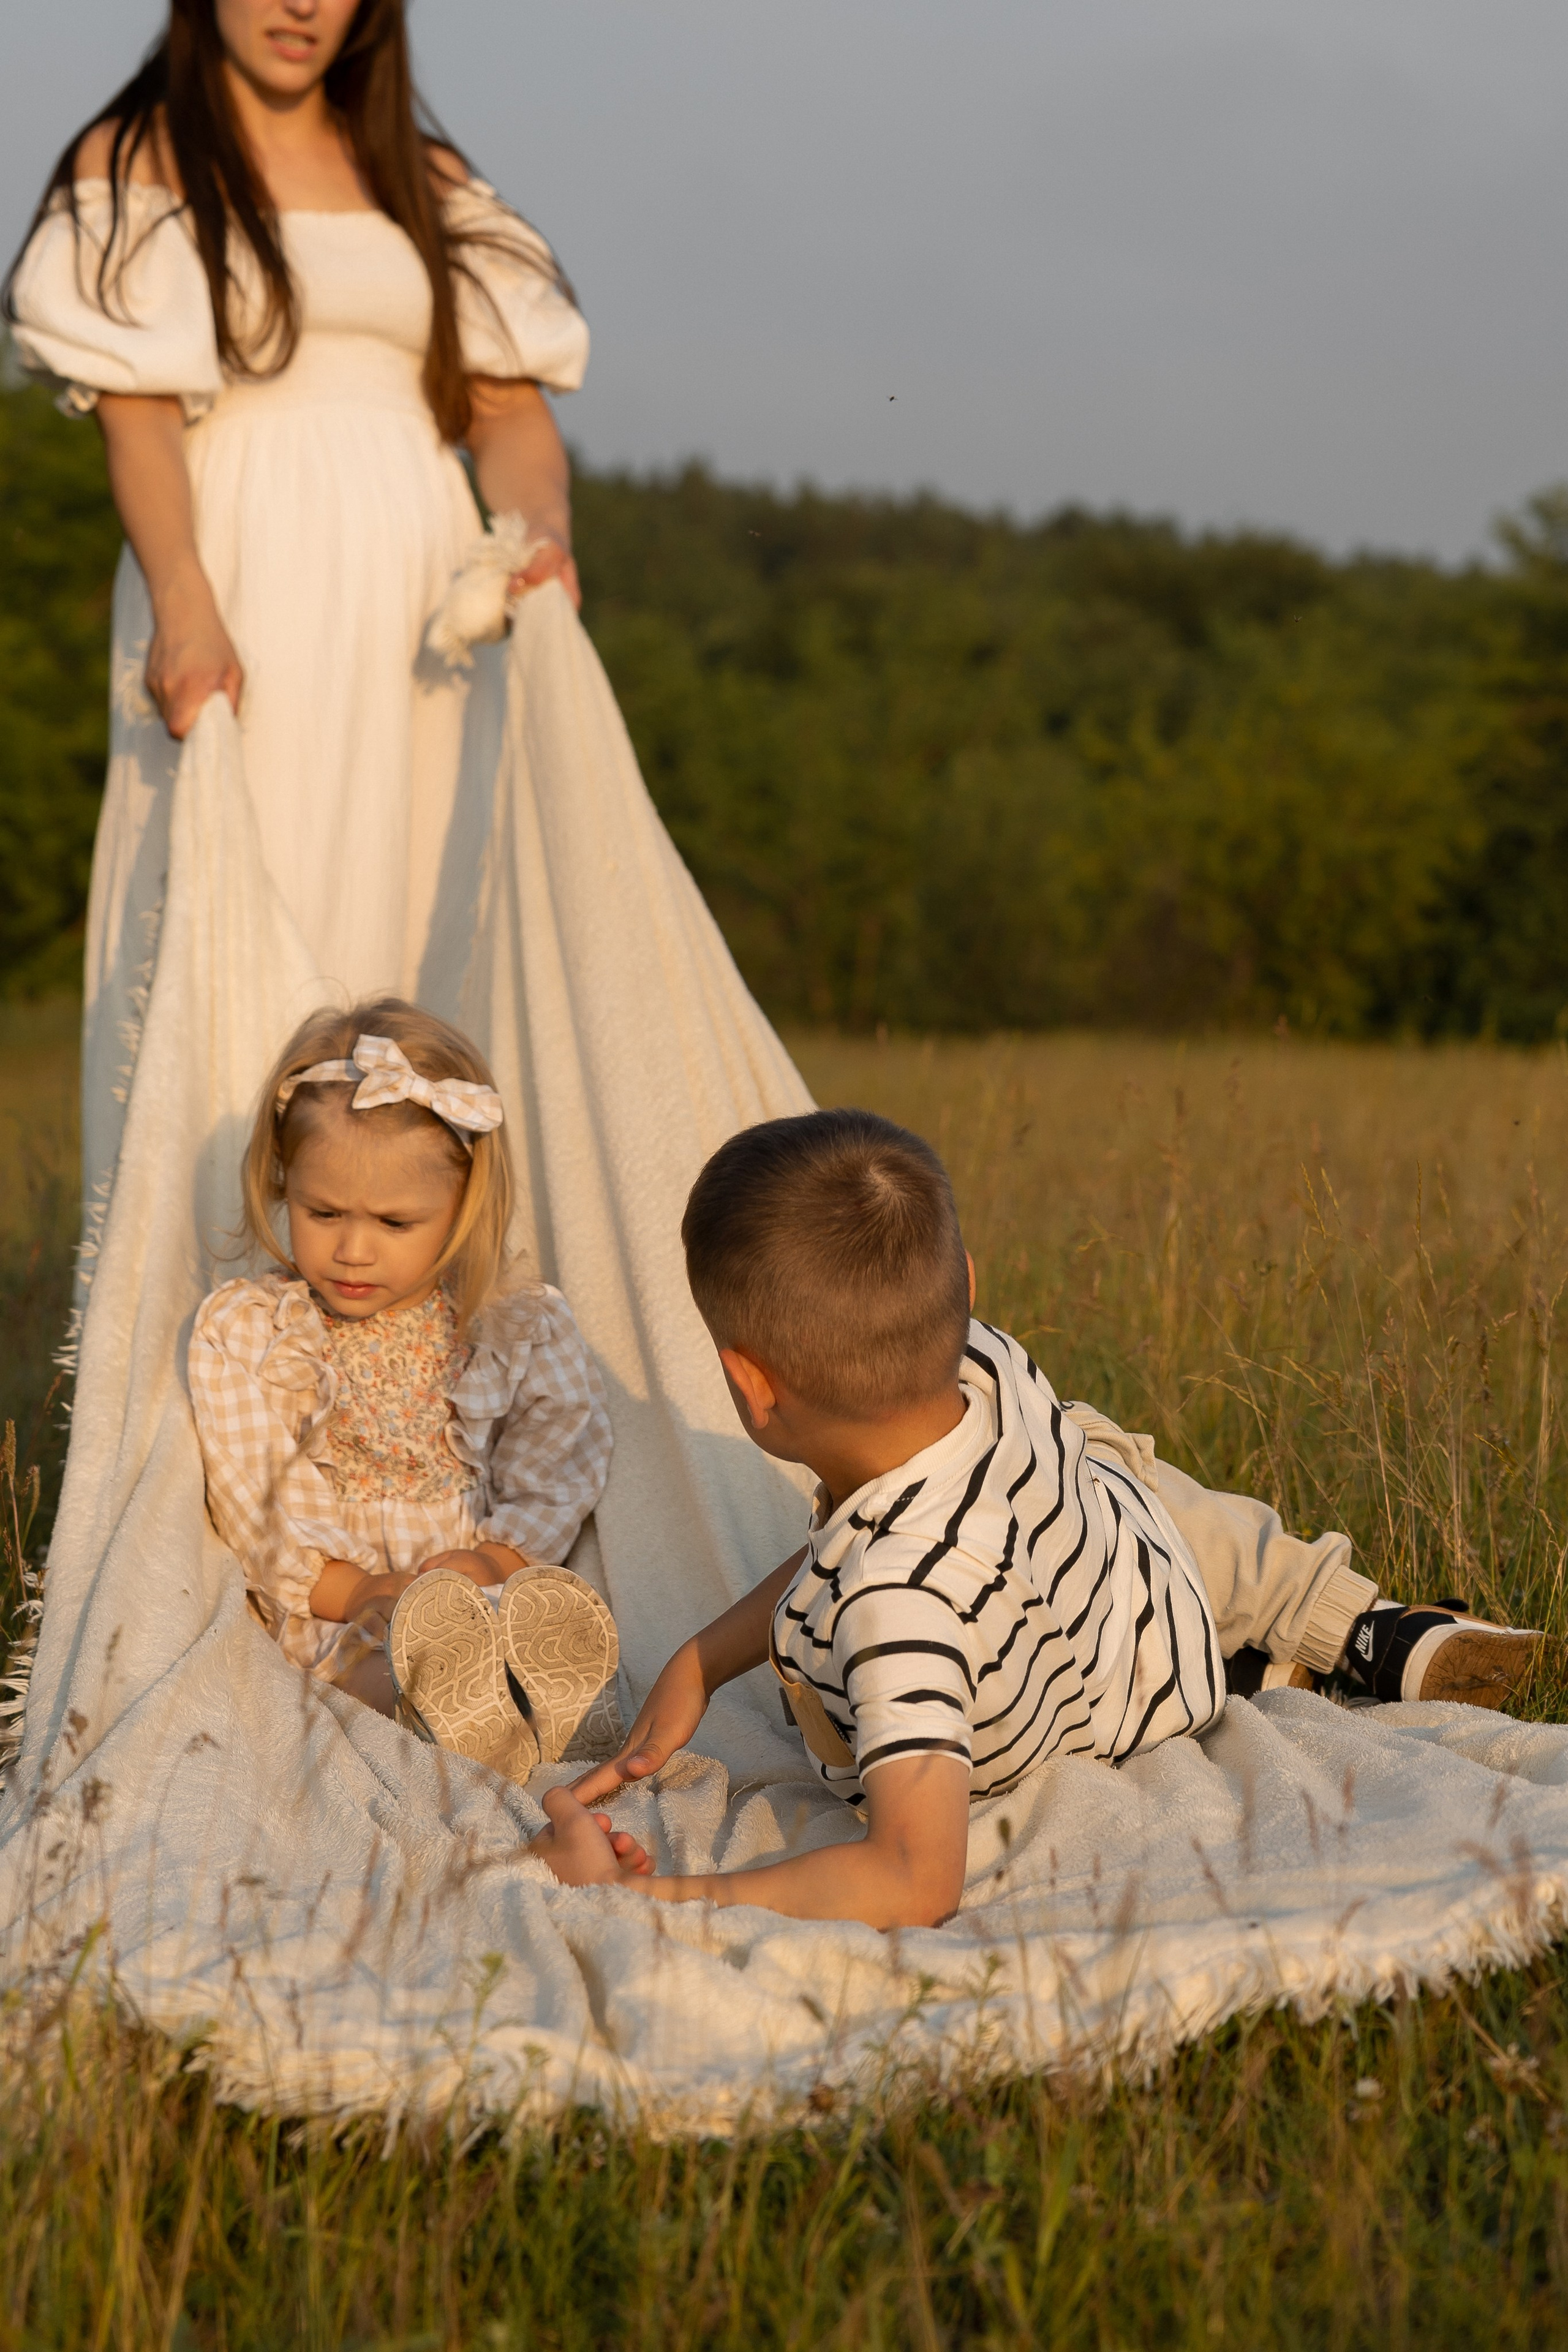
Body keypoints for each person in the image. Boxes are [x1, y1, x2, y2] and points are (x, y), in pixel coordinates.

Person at [535, 1109, 1544, 1925]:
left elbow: (911, 1880)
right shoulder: (984, 1362)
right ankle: (1350, 1630)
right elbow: (845, 1550)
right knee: (1119, 1468)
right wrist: (704, 1661)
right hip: (1124, 1590)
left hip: (1109, 1699)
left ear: (750, 1386)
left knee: (1117, 1483)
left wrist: (649, 1896)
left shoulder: (897, 1613)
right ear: (965, 1289)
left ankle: (1279, 1664)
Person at [3, 0, 592, 1232]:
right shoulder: (140, 159)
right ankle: (215, 1320)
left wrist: (537, 542)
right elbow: (138, 416)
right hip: (242, 581)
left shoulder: (423, 175)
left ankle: (406, 1339)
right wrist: (183, 603)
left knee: (417, 922)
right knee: (237, 924)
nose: (300, 4)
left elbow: (509, 409)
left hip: (422, 630)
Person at [188, 997, 629, 1789]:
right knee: (366, 1678)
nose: (353, 1250)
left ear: (462, 1206)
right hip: (338, 1605)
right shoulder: (255, 1332)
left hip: (477, 1577)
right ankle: (442, 1723)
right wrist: (359, 1589)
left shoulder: (511, 1322)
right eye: (323, 1213)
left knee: (518, 1623)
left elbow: (559, 1454)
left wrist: (492, 1558)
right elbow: (257, 1496)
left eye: (395, 1222)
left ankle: (539, 1704)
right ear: (284, 1183)